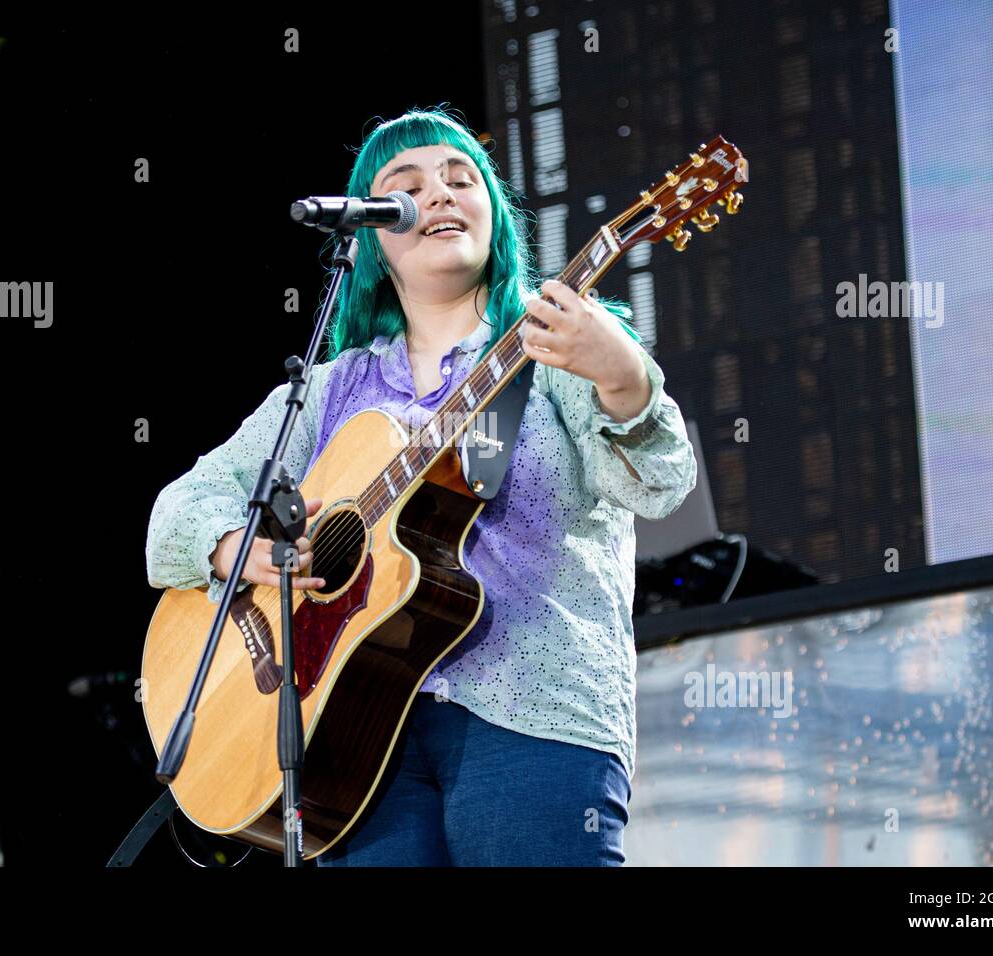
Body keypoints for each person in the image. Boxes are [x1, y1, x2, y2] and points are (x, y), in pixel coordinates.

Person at [145, 106, 696, 866]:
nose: (436, 194)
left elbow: (661, 484)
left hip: (534, 715)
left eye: (460, 179)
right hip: (353, 741)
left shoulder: (559, 341)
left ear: (493, 214)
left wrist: (624, 378)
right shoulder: (331, 391)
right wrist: (237, 547)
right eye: (404, 186)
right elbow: (174, 513)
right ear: (373, 237)